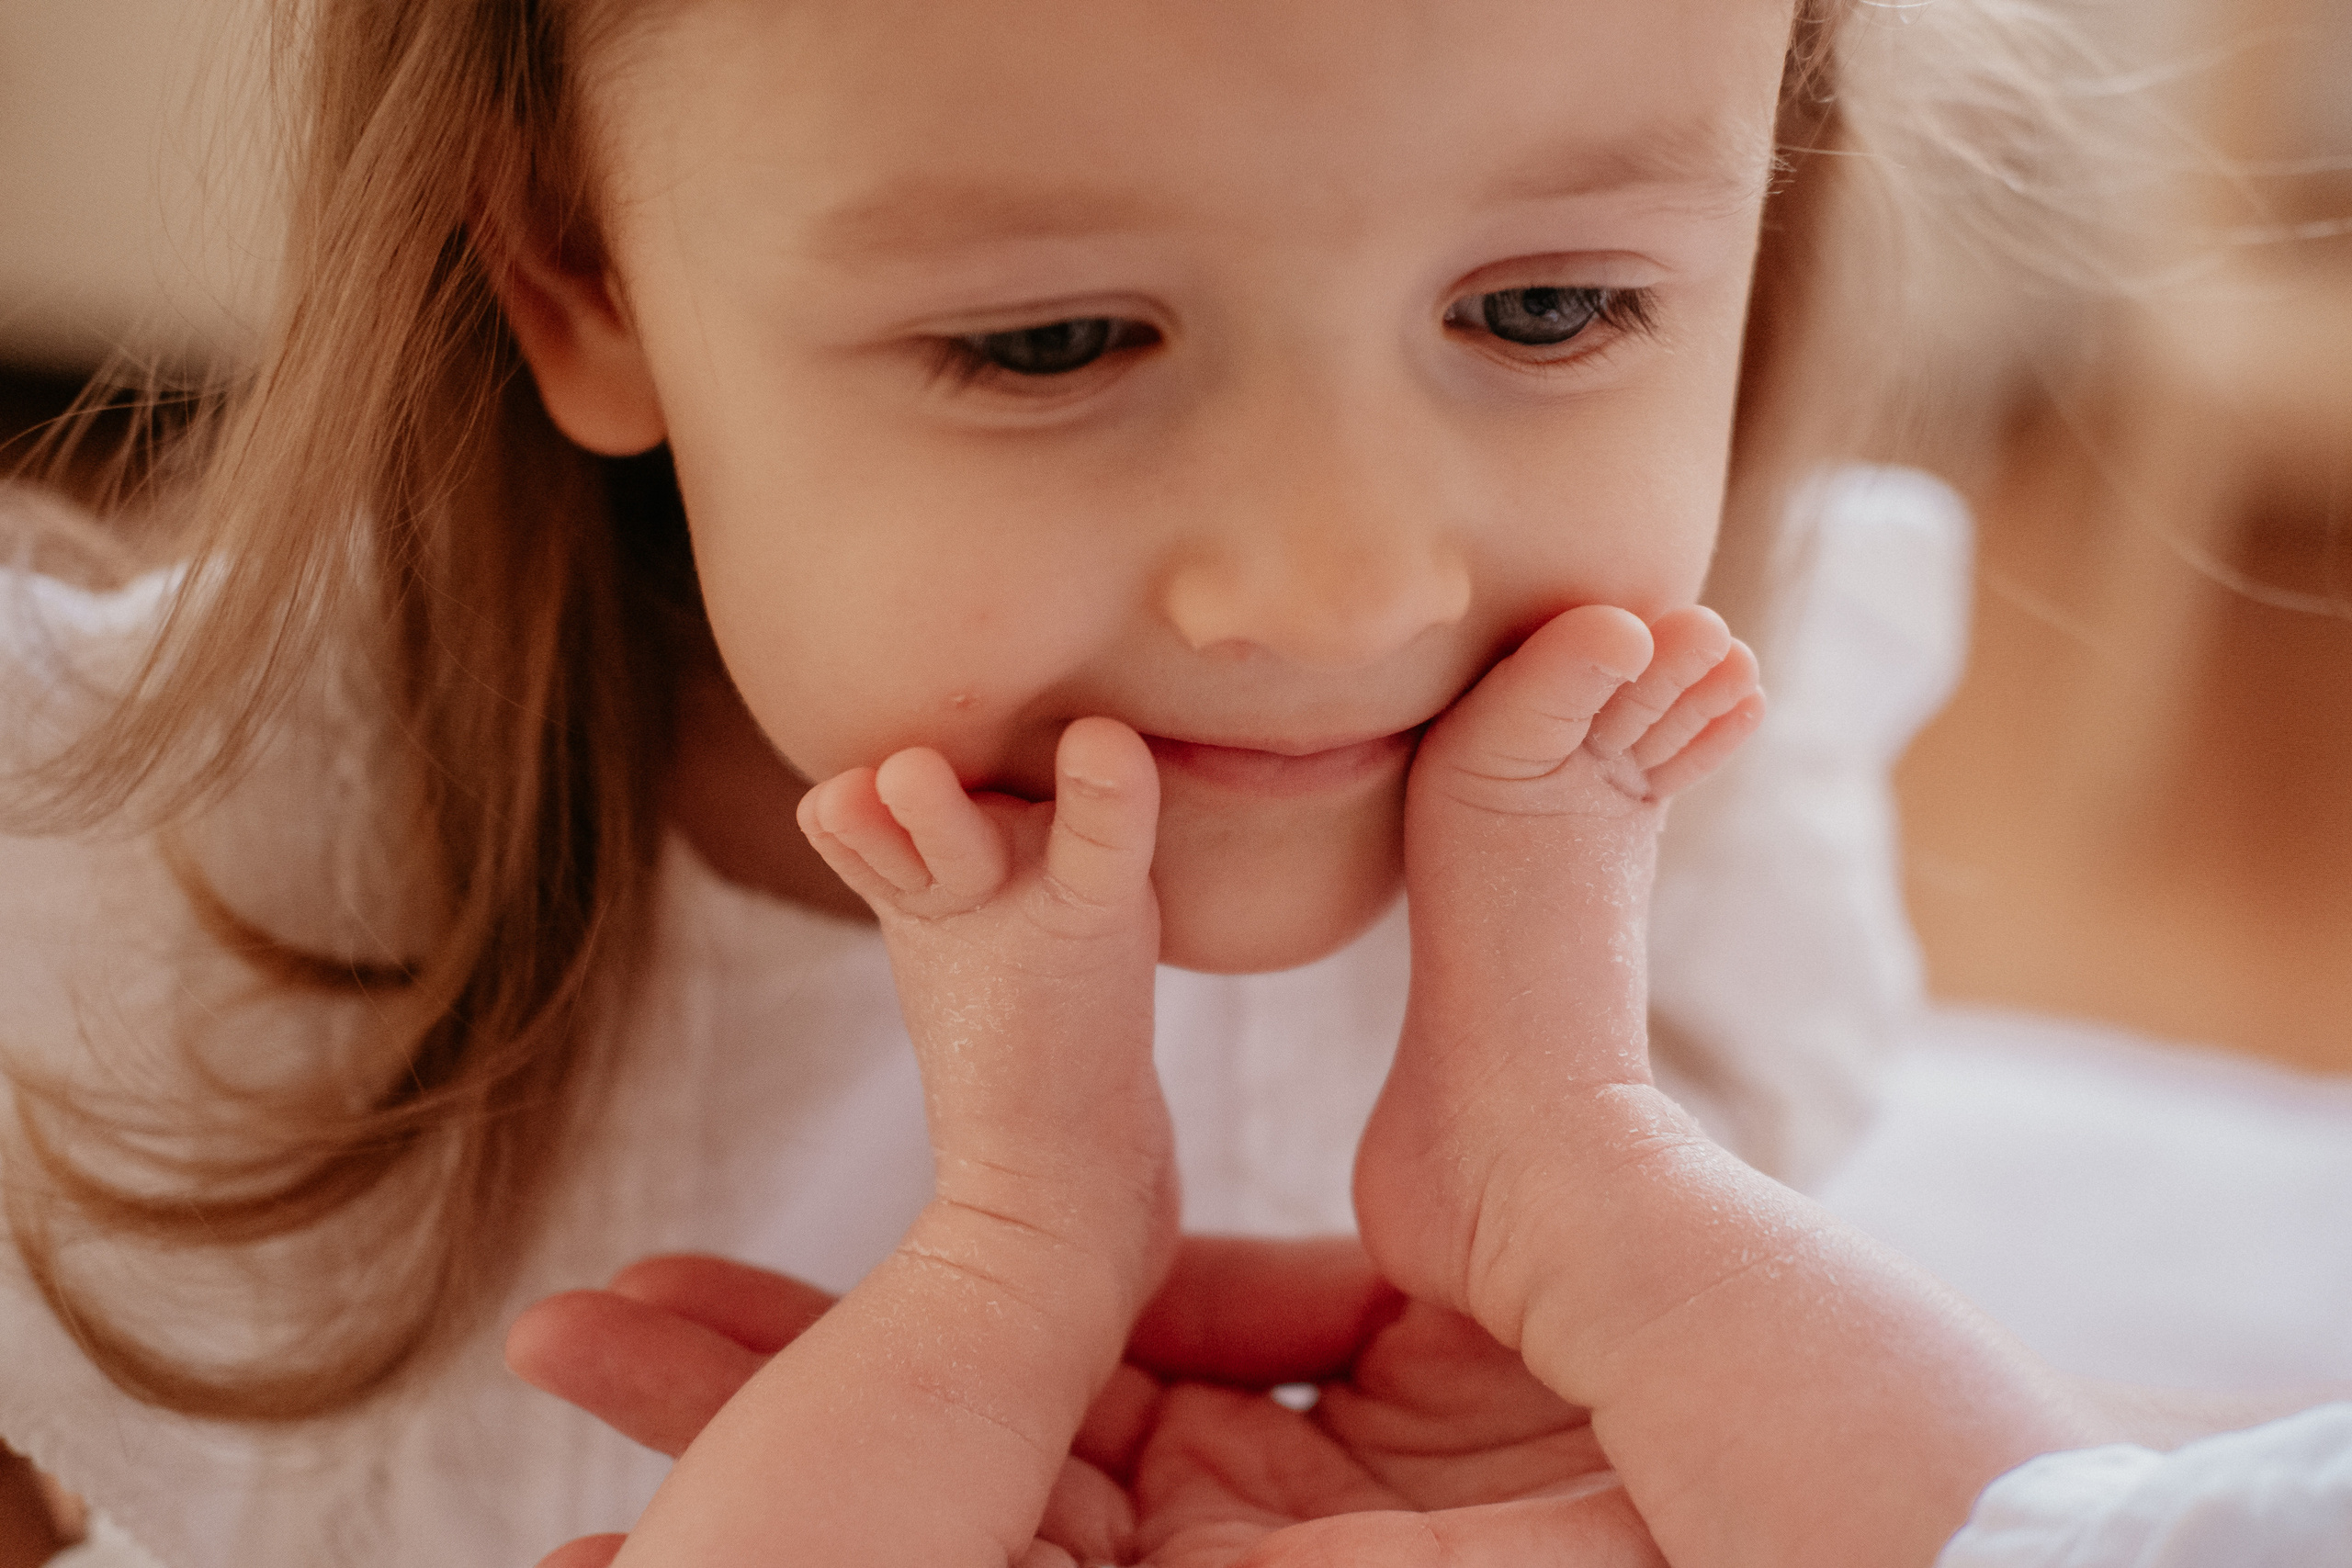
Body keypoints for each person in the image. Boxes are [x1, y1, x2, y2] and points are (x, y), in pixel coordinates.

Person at [4, 1, 2310, 1565]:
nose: (1338, 586)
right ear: (580, 271)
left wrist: (1619, 1205)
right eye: (1049, 339)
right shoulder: (124, 917)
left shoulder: (1671, 773)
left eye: (1540, 311)